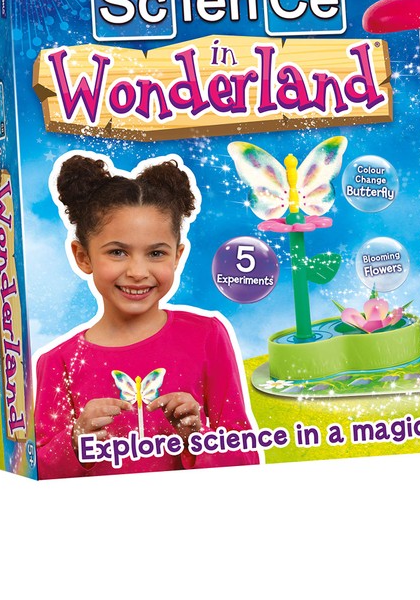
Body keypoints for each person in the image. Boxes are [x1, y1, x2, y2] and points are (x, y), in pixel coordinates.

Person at [34, 154, 259, 478]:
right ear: (83, 257)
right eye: (117, 252)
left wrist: (199, 439)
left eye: (156, 253)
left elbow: (246, 459)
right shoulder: (59, 362)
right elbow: (39, 472)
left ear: (177, 256)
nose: (138, 272)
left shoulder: (207, 336)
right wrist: (75, 440)